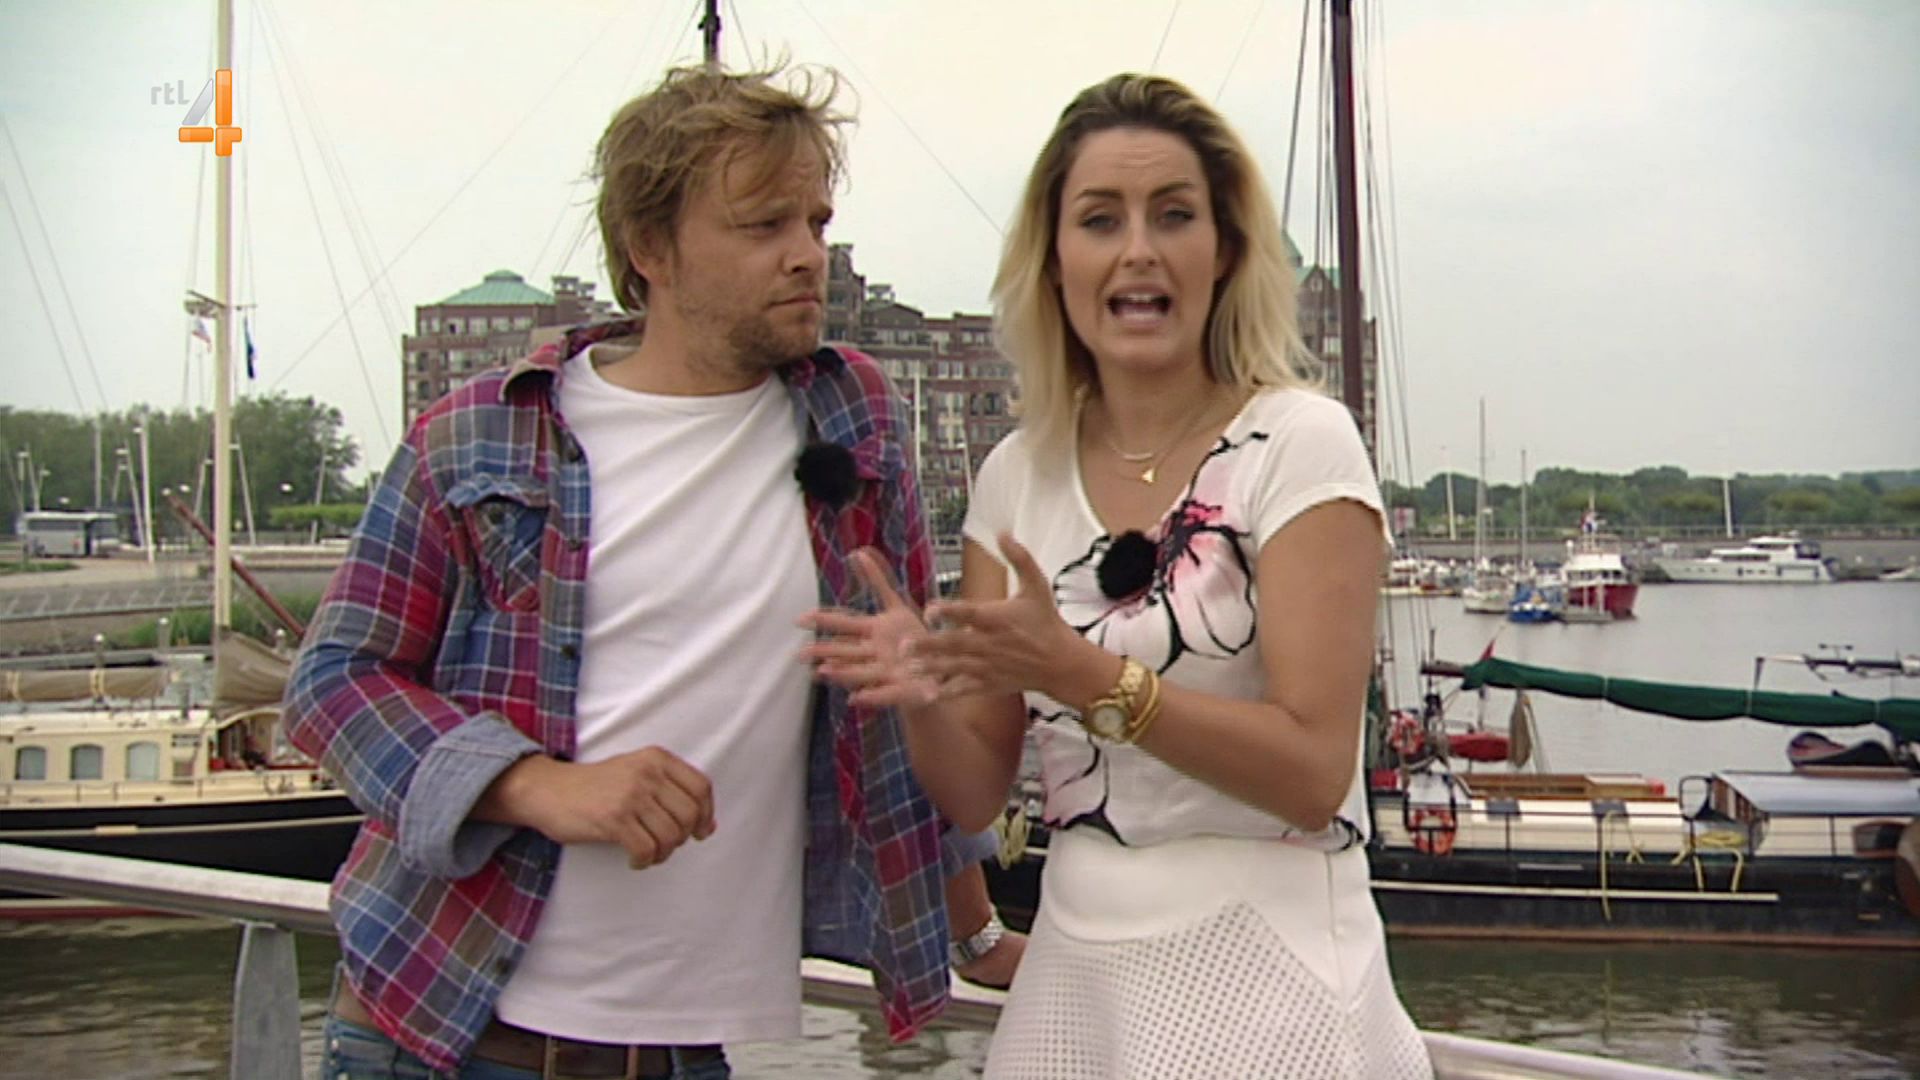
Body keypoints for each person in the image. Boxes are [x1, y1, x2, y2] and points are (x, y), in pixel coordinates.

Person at [284, 61, 1014, 1080]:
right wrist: (535, 786)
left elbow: (890, 709)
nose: (807, 255)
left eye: (816, 221)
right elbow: (332, 684)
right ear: (650, 248)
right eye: (764, 225)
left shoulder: (856, 421)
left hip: (681, 1051)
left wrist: (976, 934)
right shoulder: (482, 436)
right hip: (441, 1031)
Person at [803, 73, 1433, 1078]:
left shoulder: (1300, 443)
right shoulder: (1015, 477)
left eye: (1173, 215)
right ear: (1056, 263)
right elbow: (974, 793)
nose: (1139, 248)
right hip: (1075, 987)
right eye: (1101, 220)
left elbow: (1317, 774)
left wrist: (1081, 674)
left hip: (1275, 983)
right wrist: (919, 695)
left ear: (1225, 251)